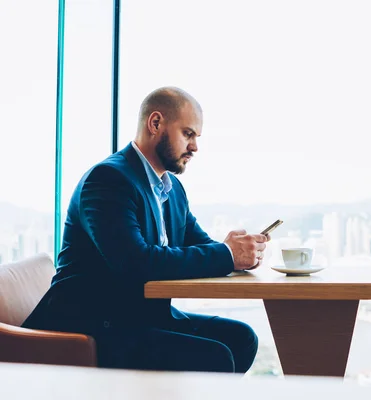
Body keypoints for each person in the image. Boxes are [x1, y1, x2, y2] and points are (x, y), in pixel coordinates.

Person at [23, 87, 269, 373]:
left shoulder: (172, 189)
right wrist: (226, 254)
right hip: (93, 324)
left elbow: (199, 244)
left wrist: (238, 252)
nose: (195, 147)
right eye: (188, 134)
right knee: (213, 356)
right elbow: (136, 263)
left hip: (141, 317)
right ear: (155, 124)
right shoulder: (108, 180)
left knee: (241, 338)